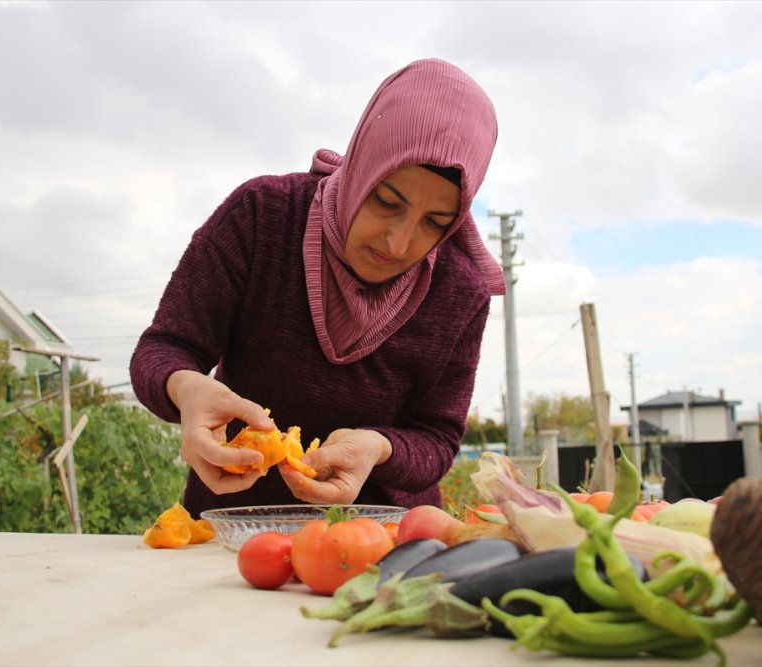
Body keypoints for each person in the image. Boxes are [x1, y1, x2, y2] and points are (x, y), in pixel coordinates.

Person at [129, 58, 506, 517]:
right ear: (365, 164)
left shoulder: (460, 291)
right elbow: (164, 348)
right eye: (387, 201)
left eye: (435, 222)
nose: (399, 241)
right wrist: (185, 388)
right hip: (231, 536)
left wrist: (379, 448)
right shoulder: (261, 217)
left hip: (384, 544)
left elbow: (438, 438)